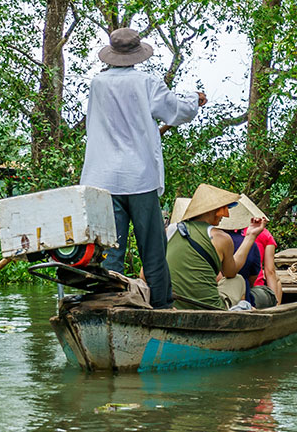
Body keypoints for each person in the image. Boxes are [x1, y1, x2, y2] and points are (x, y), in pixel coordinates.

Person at [79, 27, 206, 308]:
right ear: (137, 55)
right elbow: (177, 111)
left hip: (103, 180)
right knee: (153, 251)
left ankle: (108, 304)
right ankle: (161, 307)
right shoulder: (147, 82)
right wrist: (194, 99)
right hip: (139, 178)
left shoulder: (97, 84)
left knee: (109, 251)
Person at [166, 183, 267, 310]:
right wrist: (250, 236)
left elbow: (144, 274)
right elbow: (231, 273)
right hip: (211, 308)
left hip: (172, 305)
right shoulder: (222, 238)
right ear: (216, 211)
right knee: (238, 280)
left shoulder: (168, 231)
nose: (225, 216)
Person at [217, 194, 280, 308]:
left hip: (220, 292)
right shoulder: (259, 234)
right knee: (277, 281)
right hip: (247, 292)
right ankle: (277, 307)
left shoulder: (211, 237)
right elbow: (269, 271)